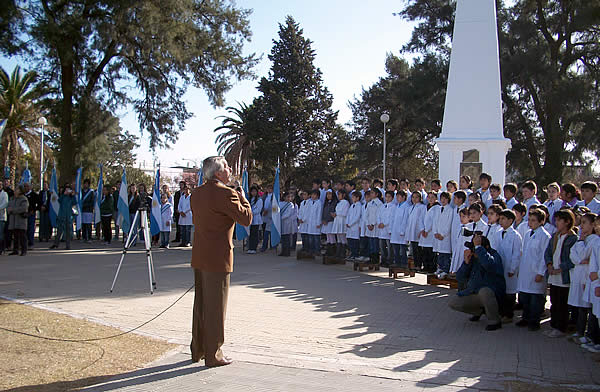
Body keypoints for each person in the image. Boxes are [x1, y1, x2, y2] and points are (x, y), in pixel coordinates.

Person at [189, 156, 252, 367]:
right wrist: (242, 197)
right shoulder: (226, 193)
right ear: (218, 173)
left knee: (201, 305)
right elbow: (246, 218)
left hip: (200, 255)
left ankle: (197, 349)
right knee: (216, 307)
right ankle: (213, 354)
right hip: (218, 258)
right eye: (226, 167)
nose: (230, 169)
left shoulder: (196, 193)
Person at [448, 234, 506, 331]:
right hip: (475, 291)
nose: (473, 250)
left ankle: (495, 320)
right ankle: (478, 311)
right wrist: (466, 263)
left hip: (493, 294)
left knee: (485, 292)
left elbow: (489, 265)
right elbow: (460, 277)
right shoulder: (473, 258)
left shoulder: (494, 255)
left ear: (485, 247)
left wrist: (479, 249)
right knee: (454, 303)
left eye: (476, 247)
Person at [543, 209, 578, 338]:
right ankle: (554, 325)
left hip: (564, 276)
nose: (556, 223)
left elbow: (572, 259)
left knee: (562, 303)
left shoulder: (572, 238)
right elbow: (548, 253)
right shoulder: (555, 236)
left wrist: (561, 268)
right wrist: (549, 265)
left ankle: (561, 327)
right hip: (553, 275)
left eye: (559, 220)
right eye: (556, 220)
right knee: (554, 301)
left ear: (567, 222)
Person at [516, 209, 551, 331]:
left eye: (534, 220)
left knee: (536, 299)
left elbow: (544, 256)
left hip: (536, 272)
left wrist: (541, 272)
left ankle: (534, 321)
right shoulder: (527, 234)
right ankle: (525, 318)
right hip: (526, 271)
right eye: (529, 220)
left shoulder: (545, 236)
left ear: (541, 221)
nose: (530, 223)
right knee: (525, 297)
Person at [569, 213, 598, 345]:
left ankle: (590, 336)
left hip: (589, 277)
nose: (581, 226)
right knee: (581, 307)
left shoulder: (594, 240)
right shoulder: (581, 239)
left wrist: (581, 255)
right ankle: (579, 332)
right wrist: (580, 259)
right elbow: (573, 256)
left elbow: (584, 254)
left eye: (585, 223)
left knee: (590, 309)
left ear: (592, 225)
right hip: (580, 274)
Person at [495, 209, 523, 323]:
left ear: (511, 220)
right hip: (500, 267)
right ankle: (501, 312)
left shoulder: (515, 235)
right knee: (501, 291)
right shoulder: (498, 233)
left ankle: (509, 314)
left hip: (510, 268)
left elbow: (517, 254)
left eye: (503, 219)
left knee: (510, 293)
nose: (500, 221)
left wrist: (512, 269)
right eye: (500, 218)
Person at [433, 192, 453, 279]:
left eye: (445, 198)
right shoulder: (438, 209)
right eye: (441, 198)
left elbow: (449, 224)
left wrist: (443, 234)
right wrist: (435, 232)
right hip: (438, 235)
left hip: (445, 236)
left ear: (448, 200)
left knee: (446, 254)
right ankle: (440, 268)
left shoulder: (450, 210)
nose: (443, 200)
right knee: (440, 253)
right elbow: (435, 222)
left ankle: (445, 269)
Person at [50, 184, 77, 250]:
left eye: (69, 190)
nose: (68, 191)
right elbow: (59, 200)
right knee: (59, 231)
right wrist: (64, 194)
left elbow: (75, 203)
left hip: (69, 216)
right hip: (62, 215)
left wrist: (73, 196)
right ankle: (56, 244)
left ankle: (68, 245)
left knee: (68, 232)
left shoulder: (71, 197)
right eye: (66, 189)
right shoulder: (63, 197)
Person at [405, 191, 426, 269]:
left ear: (420, 198)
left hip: (418, 231)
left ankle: (419, 264)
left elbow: (422, 219)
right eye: (413, 197)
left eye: (416, 197)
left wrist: (422, 229)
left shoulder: (422, 207)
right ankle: (416, 264)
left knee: (419, 250)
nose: (414, 199)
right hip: (411, 230)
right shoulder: (410, 207)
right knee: (414, 249)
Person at [419, 191, 439, 272]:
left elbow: (434, 221)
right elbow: (421, 219)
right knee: (425, 251)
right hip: (424, 232)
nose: (430, 199)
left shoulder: (437, 208)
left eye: (432, 197)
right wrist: (422, 229)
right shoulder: (425, 207)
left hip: (430, 233)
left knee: (431, 251)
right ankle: (425, 266)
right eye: (429, 197)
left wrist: (427, 230)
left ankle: (432, 267)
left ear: (436, 198)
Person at [7, 185, 29, 256]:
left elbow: (23, 208)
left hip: (21, 220)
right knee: (15, 236)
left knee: (22, 236)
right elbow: (9, 206)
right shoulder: (12, 199)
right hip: (13, 220)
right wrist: (9, 210)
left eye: (16, 189)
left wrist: (13, 210)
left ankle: (24, 250)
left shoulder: (23, 199)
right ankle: (15, 250)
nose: (15, 191)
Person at [376, 191, 395, 267]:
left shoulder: (394, 207)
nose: (387, 198)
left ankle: (389, 260)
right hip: (381, 228)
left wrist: (384, 223)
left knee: (389, 246)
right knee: (382, 245)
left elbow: (391, 218)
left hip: (388, 228)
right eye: (386, 196)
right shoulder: (382, 206)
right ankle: (383, 260)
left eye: (389, 197)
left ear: (392, 198)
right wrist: (379, 222)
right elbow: (378, 215)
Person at [366, 189, 383, 264]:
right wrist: (368, 224)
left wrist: (373, 224)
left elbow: (378, 215)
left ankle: (376, 259)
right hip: (369, 226)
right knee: (371, 243)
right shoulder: (369, 203)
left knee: (375, 243)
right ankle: (371, 257)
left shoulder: (379, 204)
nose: (371, 194)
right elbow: (366, 215)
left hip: (375, 226)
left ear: (377, 194)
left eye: (372, 193)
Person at [331, 189, 350, 258]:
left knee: (342, 237)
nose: (338, 196)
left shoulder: (346, 203)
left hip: (342, 220)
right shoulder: (339, 202)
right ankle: (338, 252)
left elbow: (345, 212)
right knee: (338, 237)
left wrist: (336, 214)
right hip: (337, 220)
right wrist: (334, 214)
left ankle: (343, 252)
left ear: (344, 195)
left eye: (339, 194)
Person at [345, 190, 363, 260]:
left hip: (354, 226)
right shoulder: (352, 205)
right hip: (349, 226)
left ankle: (355, 254)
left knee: (355, 241)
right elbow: (348, 215)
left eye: (353, 197)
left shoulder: (359, 206)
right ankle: (352, 253)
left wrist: (351, 223)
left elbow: (357, 216)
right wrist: (347, 222)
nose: (352, 198)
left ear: (358, 198)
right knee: (350, 240)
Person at [279, 192, 297, 257]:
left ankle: (287, 252)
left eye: (289, 197)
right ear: (284, 197)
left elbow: (288, 214)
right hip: (281, 223)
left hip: (287, 222)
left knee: (287, 238)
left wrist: (280, 217)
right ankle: (283, 251)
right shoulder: (280, 203)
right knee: (283, 238)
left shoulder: (291, 205)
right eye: (287, 197)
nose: (289, 198)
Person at [305, 190, 323, 256]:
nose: (313, 196)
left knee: (316, 238)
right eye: (312, 194)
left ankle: (317, 250)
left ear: (317, 196)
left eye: (314, 195)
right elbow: (307, 212)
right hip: (310, 222)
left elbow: (319, 213)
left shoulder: (319, 203)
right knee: (310, 238)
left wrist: (318, 223)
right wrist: (306, 220)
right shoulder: (309, 202)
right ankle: (311, 250)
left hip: (316, 223)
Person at [321, 190, 337, 256]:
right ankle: (329, 249)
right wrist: (323, 219)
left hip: (331, 222)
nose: (328, 196)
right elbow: (324, 212)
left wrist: (327, 220)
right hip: (325, 222)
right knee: (328, 236)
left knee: (331, 236)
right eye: (327, 194)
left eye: (330, 194)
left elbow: (333, 213)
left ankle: (333, 250)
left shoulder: (335, 202)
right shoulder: (326, 203)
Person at [247, 186, 263, 254]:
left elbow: (258, 210)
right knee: (250, 234)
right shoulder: (249, 199)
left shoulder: (259, 200)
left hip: (256, 219)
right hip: (250, 219)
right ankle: (250, 247)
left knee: (255, 234)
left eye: (255, 191)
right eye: (252, 191)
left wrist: (250, 212)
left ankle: (254, 248)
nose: (253, 193)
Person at [23, 183, 38, 248]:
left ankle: (31, 243)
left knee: (31, 229)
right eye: (25, 186)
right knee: (24, 230)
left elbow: (39, 204)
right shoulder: (23, 195)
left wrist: (34, 210)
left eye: (27, 186)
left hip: (31, 214)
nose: (26, 188)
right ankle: (24, 243)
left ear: (30, 187)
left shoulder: (34, 195)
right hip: (24, 214)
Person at [260, 184, 274, 252]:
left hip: (271, 215)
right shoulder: (264, 196)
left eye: (270, 188)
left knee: (270, 232)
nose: (269, 190)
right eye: (268, 188)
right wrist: (263, 211)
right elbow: (261, 204)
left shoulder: (274, 196)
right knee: (264, 232)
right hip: (264, 215)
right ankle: (264, 246)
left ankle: (272, 245)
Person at [0, 185, 7, 254]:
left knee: (1, 234)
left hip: (1, 217)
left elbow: (5, 204)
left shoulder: (4, 194)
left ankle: (2, 249)